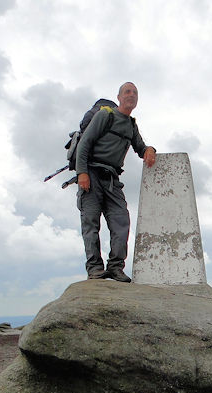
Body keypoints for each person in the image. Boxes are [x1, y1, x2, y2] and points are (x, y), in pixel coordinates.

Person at [75, 82, 156, 282]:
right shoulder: (105, 115)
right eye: (127, 92)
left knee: (121, 221)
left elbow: (140, 148)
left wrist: (150, 150)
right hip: (91, 173)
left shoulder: (131, 124)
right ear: (119, 97)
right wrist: (82, 173)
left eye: (135, 93)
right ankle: (94, 268)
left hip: (112, 178)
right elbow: (85, 144)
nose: (131, 95)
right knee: (91, 223)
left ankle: (115, 267)